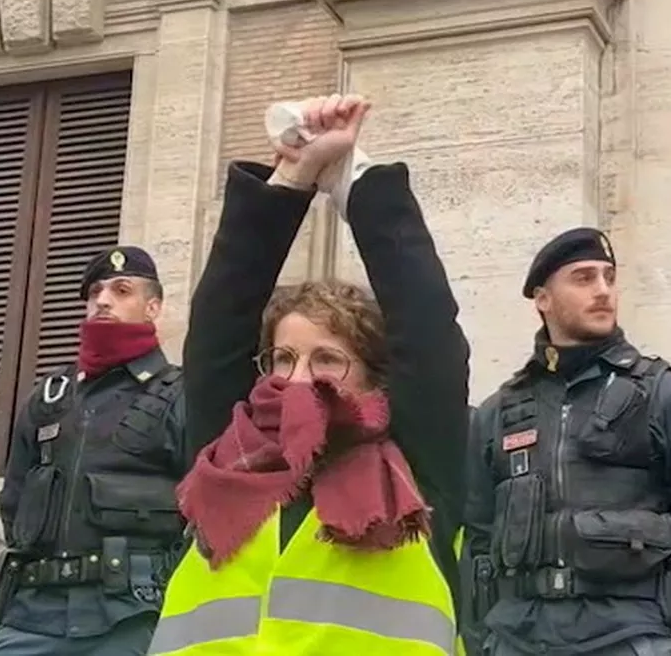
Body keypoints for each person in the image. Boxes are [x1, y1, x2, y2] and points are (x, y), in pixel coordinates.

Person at [147, 93, 470, 656]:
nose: (298, 380)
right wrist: (290, 179)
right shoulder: (226, 457)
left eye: (327, 360)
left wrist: (351, 177)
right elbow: (217, 329)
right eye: (283, 359)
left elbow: (427, 327)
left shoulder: (419, 462)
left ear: (375, 376)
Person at [464, 227, 671, 656]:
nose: (603, 290)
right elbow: (480, 535)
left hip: (628, 638)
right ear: (542, 298)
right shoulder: (498, 412)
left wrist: (649, 599)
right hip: (518, 637)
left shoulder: (668, 397)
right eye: (583, 278)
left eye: (609, 276)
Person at [0, 247, 188, 656]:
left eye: (121, 290)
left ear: (153, 306)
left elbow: (204, 510)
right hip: (32, 615)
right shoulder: (49, 397)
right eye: (95, 292)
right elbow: (14, 500)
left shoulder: (182, 394)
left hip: (134, 615)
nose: (103, 300)